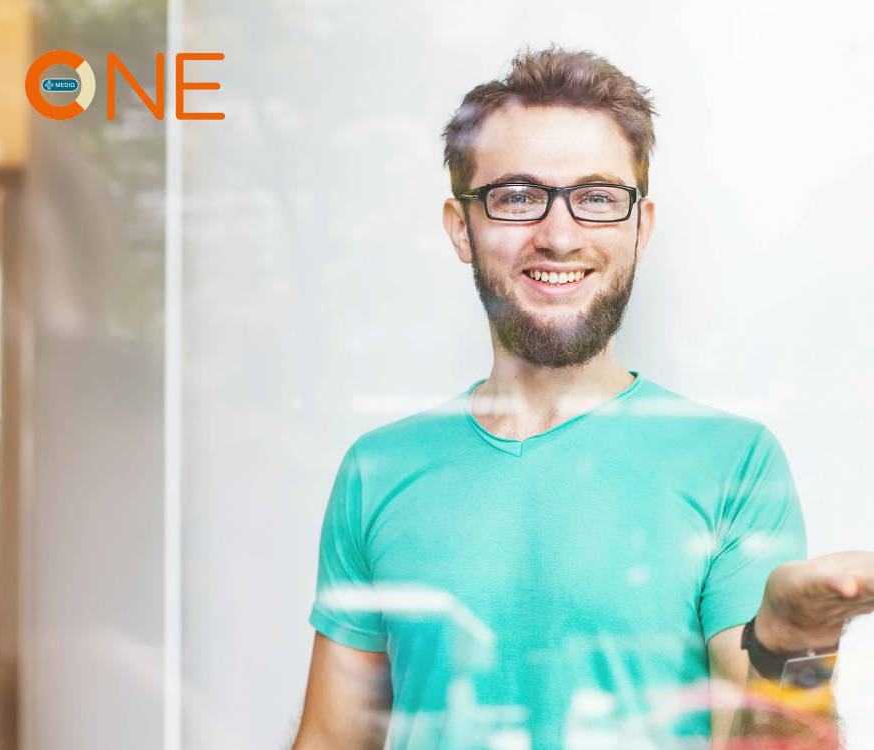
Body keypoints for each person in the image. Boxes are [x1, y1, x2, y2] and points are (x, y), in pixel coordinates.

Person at [291, 47, 874, 750]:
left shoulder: (733, 463)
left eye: (596, 198)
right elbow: (330, 740)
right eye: (516, 196)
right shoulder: (376, 470)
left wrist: (791, 647)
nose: (559, 236)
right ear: (459, 227)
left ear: (640, 226)